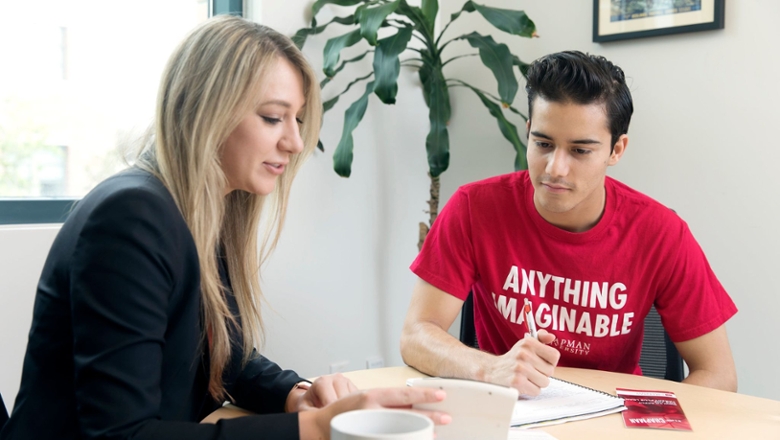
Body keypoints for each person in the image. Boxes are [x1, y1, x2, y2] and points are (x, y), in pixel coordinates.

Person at [0, 15, 449, 440]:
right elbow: (121, 434)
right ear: (206, 110)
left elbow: (221, 352)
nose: (294, 142)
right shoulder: (132, 217)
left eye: (297, 120)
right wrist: (314, 429)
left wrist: (295, 395)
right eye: (274, 117)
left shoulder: (197, 207)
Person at [400, 50, 738, 396]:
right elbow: (417, 334)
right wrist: (490, 368)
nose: (554, 169)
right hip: (512, 412)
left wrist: (643, 424)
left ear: (616, 150)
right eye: (543, 143)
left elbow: (718, 374)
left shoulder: (662, 233)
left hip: (615, 419)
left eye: (580, 151)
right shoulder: (473, 208)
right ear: (528, 132)